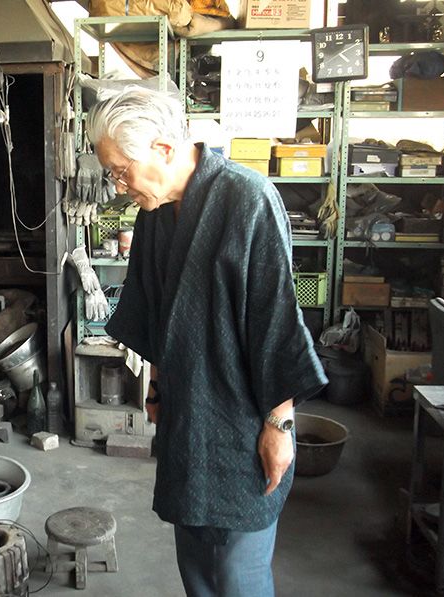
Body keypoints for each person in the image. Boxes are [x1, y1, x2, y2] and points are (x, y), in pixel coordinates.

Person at [86, 87, 327, 596]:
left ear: (163, 149)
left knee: (237, 573)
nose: (119, 185)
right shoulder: (155, 213)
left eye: (121, 171)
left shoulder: (247, 198)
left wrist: (279, 425)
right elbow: (154, 310)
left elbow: (275, 322)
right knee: (196, 560)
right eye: (112, 173)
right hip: (187, 414)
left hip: (242, 418)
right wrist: (156, 385)